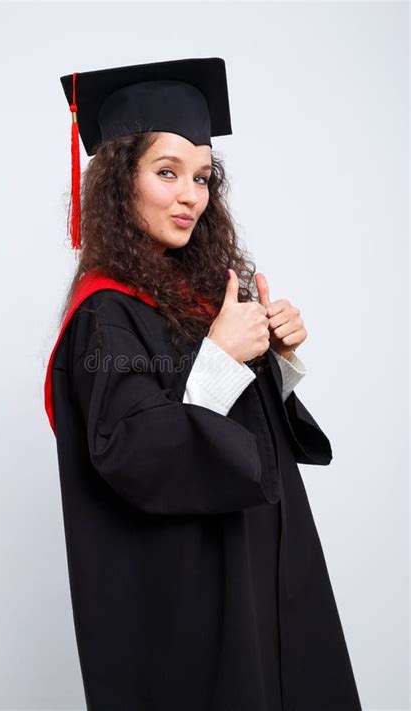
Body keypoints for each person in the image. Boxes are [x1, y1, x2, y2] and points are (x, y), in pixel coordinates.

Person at [44, 57, 362, 711]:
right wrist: (219, 355)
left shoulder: (192, 292)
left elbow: (244, 430)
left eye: (203, 177)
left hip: (257, 566)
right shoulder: (105, 312)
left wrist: (275, 355)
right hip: (190, 600)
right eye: (168, 172)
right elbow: (132, 452)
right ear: (117, 180)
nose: (192, 194)